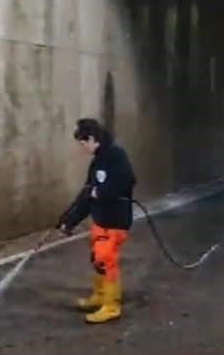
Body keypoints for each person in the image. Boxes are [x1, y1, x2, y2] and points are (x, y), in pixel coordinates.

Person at [51, 118, 136, 324]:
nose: (83, 148)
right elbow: (87, 194)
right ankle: (99, 296)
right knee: (97, 259)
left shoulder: (115, 155)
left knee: (106, 260)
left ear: (92, 139)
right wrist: (69, 220)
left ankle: (111, 306)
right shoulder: (98, 160)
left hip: (115, 220)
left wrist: (102, 192)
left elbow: (127, 180)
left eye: (83, 143)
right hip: (101, 220)